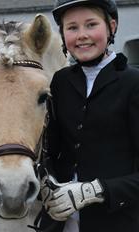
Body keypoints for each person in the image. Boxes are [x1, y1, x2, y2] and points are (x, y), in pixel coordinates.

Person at [39, 0, 139, 232]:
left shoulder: (133, 83)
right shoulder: (60, 81)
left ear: (111, 27)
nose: (82, 35)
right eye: (72, 28)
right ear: (63, 34)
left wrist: (97, 190)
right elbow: (51, 149)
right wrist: (45, 180)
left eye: (91, 24)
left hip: (114, 222)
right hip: (59, 221)